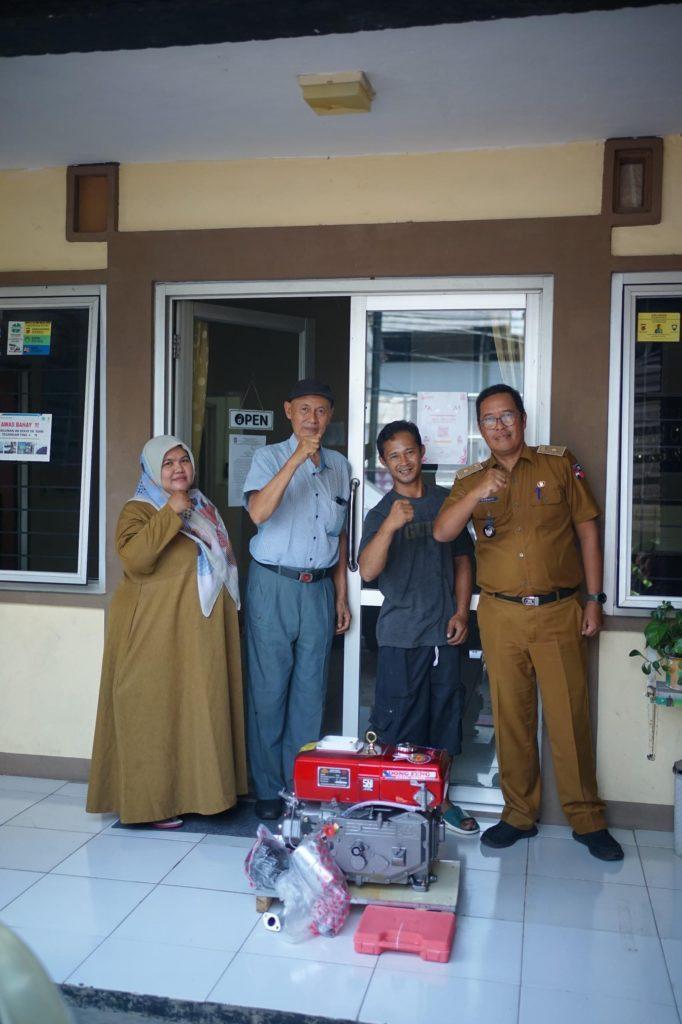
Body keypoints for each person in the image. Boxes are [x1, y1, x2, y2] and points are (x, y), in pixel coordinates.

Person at [433, 384, 623, 861]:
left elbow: (587, 530)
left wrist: (595, 600)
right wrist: (478, 490)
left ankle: (587, 819)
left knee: (569, 717)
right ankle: (519, 814)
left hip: (560, 611)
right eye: (489, 419)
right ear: (480, 429)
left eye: (507, 416)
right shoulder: (471, 477)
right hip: (500, 613)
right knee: (511, 718)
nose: (500, 426)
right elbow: (442, 531)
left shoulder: (559, 463)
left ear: (522, 418)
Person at [86, 435, 247, 828]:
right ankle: (151, 804)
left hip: (194, 630)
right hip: (155, 630)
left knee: (194, 709)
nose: (178, 469)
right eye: (168, 463)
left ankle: (199, 795)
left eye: (184, 461)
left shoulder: (202, 505)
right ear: (152, 470)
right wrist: (171, 512)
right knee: (153, 709)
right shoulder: (139, 509)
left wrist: (183, 508)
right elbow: (136, 560)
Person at [358, 421, 479, 836]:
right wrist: (391, 526)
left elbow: (464, 560)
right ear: (384, 462)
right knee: (397, 723)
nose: (404, 461)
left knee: (445, 719)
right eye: (394, 455)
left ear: (422, 453)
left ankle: (440, 800)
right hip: (400, 635)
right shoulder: (380, 511)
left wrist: (462, 611)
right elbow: (369, 571)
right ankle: (400, 804)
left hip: (444, 633)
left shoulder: (448, 502)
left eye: (409, 452)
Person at [243, 379, 351, 820]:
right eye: (304, 409)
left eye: (322, 410)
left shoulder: (341, 465)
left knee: (310, 693)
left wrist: (341, 596)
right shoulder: (267, 457)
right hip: (273, 584)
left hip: (320, 587)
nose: (313, 418)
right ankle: (269, 788)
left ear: (330, 415)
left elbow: (340, 535)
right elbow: (257, 513)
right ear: (288, 410)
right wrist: (295, 459)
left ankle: (298, 785)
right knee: (269, 691)